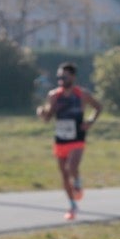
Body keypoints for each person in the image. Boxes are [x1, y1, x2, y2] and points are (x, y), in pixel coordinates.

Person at [36, 62, 102, 220]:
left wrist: (90, 121)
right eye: (59, 76)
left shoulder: (82, 94)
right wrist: (41, 113)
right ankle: (72, 205)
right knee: (64, 175)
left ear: (72, 77)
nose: (61, 79)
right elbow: (48, 117)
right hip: (60, 140)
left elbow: (98, 107)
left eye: (64, 76)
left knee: (71, 167)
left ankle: (78, 181)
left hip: (77, 138)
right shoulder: (54, 96)